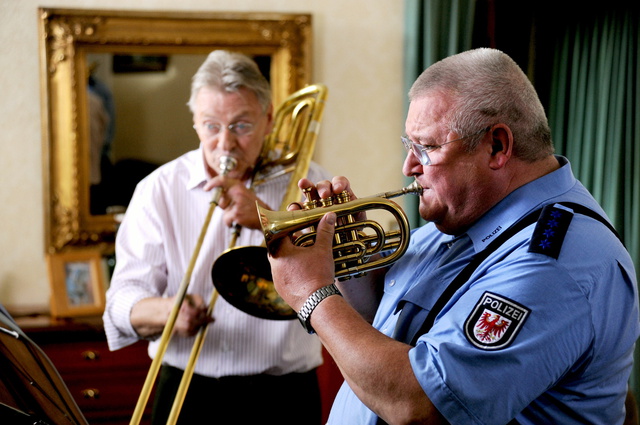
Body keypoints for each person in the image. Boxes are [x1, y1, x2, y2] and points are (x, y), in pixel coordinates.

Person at [267, 48, 640, 424]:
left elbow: (419, 404)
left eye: (426, 147)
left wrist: (312, 294)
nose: (408, 166)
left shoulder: (555, 262)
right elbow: (389, 330)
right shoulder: (463, 221)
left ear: (496, 146)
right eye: (408, 146)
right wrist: (347, 260)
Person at [103, 50, 329, 425]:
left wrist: (263, 217)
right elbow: (119, 305)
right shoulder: (158, 189)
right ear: (194, 122)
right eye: (211, 125)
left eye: (241, 125)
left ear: (269, 118)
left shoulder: (309, 181)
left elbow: (339, 282)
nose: (225, 144)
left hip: (284, 393)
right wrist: (168, 312)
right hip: (187, 388)